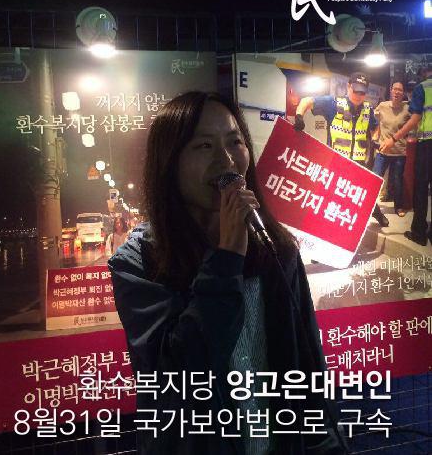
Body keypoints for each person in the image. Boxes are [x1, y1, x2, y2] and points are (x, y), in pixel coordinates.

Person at [108, 91, 347, 454]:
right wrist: (227, 256)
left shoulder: (276, 248)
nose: (227, 159)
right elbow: (180, 375)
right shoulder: (139, 262)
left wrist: (325, 444)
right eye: (204, 146)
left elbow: (308, 363)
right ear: (169, 162)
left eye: (235, 142)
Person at [294, 72, 388, 227]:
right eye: (355, 90)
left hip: (358, 162)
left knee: (362, 192)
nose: (358, 95)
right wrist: (299, 116)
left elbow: (374, 126)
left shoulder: (368, 109)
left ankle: (374, 211)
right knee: (331, 194)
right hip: (336, 161)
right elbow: (306, 101)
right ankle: (323, 223)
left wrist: (375, 139)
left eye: (362, 92)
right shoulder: (333, 103)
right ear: (348, 86)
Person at [380, 63, 432, 246]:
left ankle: (419, 233)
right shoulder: (383, 106)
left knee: (421, 188)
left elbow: (415, 118)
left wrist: (393, 139)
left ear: (423, 73)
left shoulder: (422, 87)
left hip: (427, 145)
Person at [372, 82, 410, 217]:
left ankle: (398, 206)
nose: (397, 92)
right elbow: (372, 120)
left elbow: (414, 123)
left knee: (397, 180)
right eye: (395, 89)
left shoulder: (407, 108)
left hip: (399, 152)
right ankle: (370, 205)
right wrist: (375, 133)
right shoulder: (382, 106)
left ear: (403, 93)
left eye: (400, 90)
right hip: (383, 151)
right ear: (391, 90)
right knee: (375, 178)